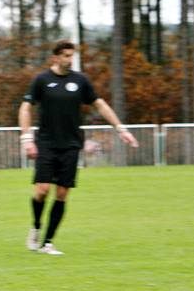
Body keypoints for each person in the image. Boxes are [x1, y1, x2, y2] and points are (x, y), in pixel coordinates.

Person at [19, 40, 138, 255]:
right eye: (65, 56)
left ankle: (48, 242)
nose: (69, 60)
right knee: (42, 190)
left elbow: (100, 104)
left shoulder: (80, 81)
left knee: (62, 193)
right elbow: (25, 108)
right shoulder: (42, 80)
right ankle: (36, 227)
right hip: (46, 143)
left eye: (71, 55)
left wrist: (121, 128)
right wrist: (26, 138)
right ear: (55, 57)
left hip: (71, 144)